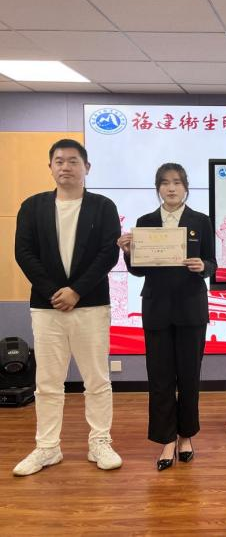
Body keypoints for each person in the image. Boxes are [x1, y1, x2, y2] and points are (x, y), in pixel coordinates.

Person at [13, 139, 122, 476]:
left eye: (73, 161)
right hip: (47, 308)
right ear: (50, 167)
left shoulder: (103, 206)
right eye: (59, 161)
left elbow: (108, 253)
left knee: (97, 379)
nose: (65, 167)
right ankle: (47, 447)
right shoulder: (32, 206)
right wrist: (54, 292)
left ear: (86, 167)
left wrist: (76, 291)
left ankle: (100, 442)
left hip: (91, 305)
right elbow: (24, 253)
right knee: (47, 382)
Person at [117, 163, 216, 471]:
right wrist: (128, 252)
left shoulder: (200, 221)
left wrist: (204, 267)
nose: (171, 188)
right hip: (157, 308)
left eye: (176, 182)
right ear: (158, 188)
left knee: (189, 376)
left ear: (186, 187)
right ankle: (166, 441)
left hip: (191, 308)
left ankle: (186, 437)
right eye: (164, 183)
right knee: (160, 378)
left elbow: (212, 261)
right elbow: (138, 270)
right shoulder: (145, 222)